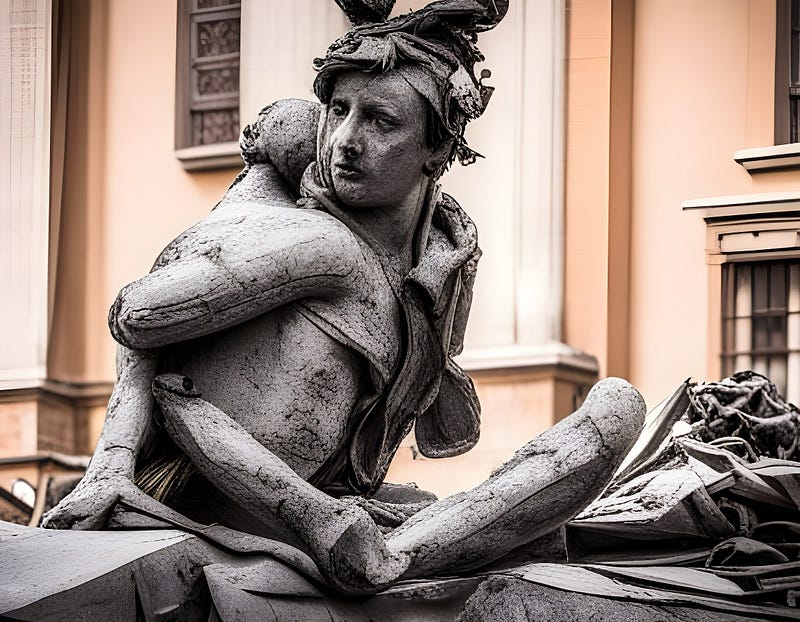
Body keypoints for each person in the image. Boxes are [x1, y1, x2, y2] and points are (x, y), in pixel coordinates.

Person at [42, 0, 645, 595]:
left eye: (381, 121)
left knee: (605, 421)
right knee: (608, 422)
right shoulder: (315, 243)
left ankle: (408, 544)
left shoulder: (444, 260)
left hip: (332, 504)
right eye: (338, 111)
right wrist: (113, 461)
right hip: (244, 516)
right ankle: (397, 551)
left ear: (437, 150)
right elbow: (138, 316)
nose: (347, 140)